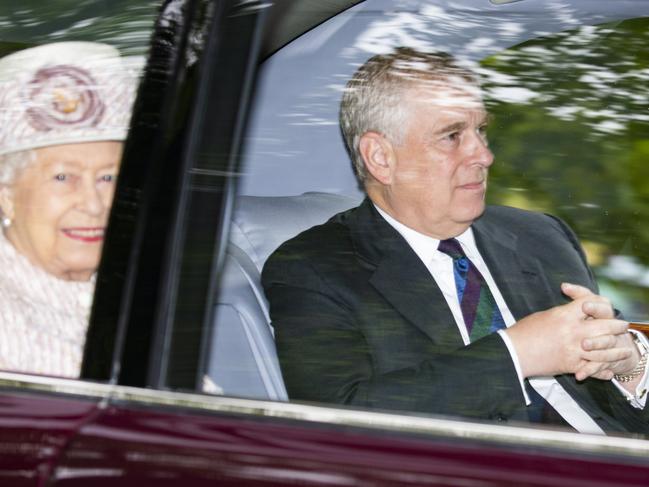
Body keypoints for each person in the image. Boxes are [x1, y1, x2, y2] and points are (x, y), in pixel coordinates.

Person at [262, 47, 649, 434]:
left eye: (480, 130)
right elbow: (338, 423)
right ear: (380, 157)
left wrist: (629, 367)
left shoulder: (540, 235)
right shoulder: (315, 269)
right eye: (452, 136)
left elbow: (616, 405)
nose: (484, 155)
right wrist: (517, 354)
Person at [0, 42, 139, 377]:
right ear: (6, 195)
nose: (94, 204)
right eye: (63, 177)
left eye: (108, 177)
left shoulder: (138, 285)